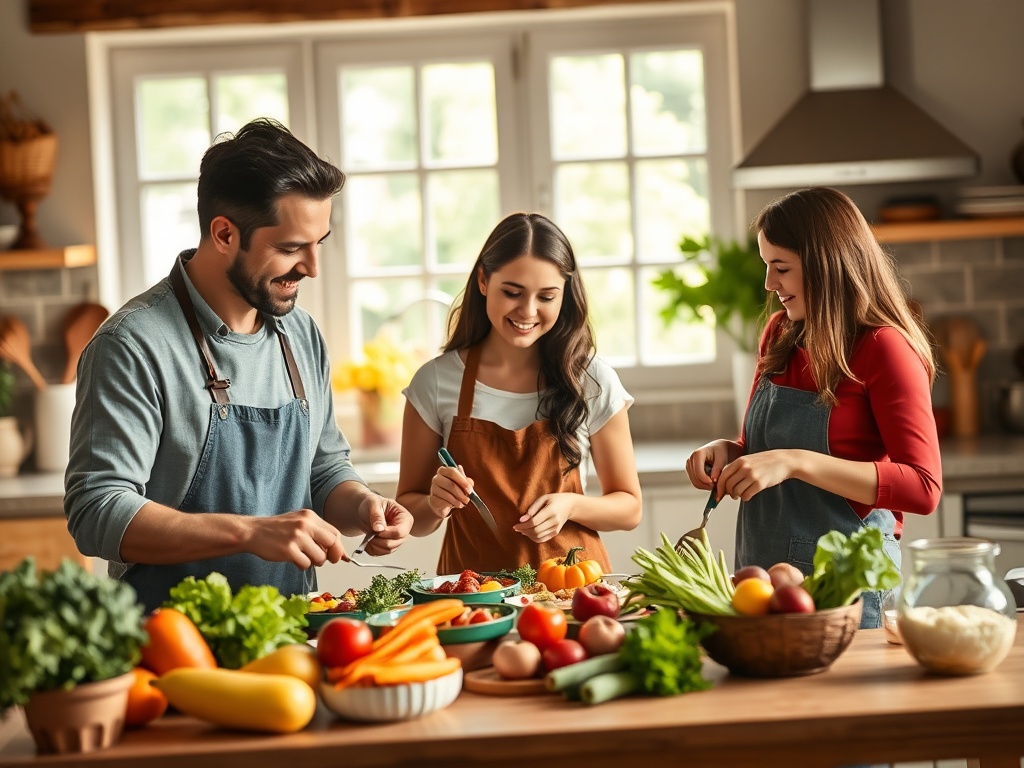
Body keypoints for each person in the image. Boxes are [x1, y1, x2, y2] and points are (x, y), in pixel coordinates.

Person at [65, 118, 413, 613]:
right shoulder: (133, 344)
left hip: (293, 631)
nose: (312, 267)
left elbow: (323, 469)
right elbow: (96, 510)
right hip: (172, 645)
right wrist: (249, 532)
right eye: (291, 248)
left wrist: (364, 506)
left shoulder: (301, 335)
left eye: (320, 243)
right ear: (224, 233)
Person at [684, 187, 942, 629]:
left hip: (846, 588)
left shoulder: (884, 348)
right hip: (762, 580)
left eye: (780, 268)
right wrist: (729, 451)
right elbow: (760, 444)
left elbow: (923, 487)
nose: (769, 284)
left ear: (826, 265)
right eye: (767, 266)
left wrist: (797, 462)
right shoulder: (780, 332)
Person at [395, 212, 642, 575]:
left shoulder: (592, 380)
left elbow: (629, 507)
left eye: (546, 296)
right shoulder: (435, 382)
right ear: (483, 280)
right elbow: (410, 515)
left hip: (573, 596)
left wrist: (570, 506)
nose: (527, 311)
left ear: (565, 295)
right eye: (511, 292)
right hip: (474, 601)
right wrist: (434, 503)